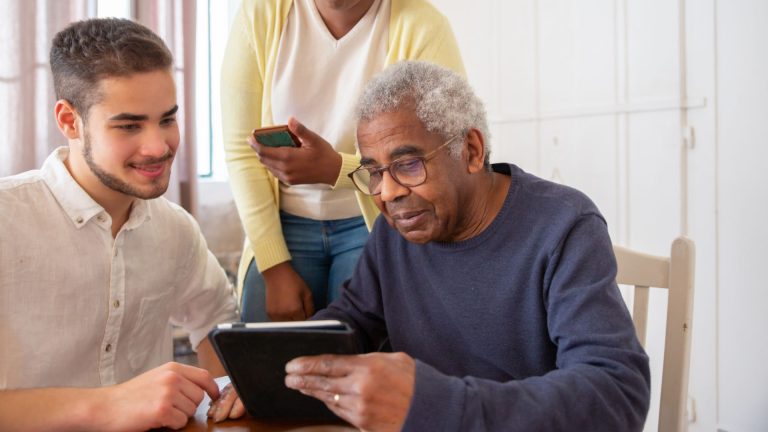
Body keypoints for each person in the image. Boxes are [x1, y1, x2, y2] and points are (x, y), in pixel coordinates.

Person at [210, 61, 652, 430]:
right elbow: (350, 323)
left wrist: (436, 403)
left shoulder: (562, 225)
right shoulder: (398, 230)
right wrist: (268, 377)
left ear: (472, 150)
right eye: (374, 171)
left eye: (406, 164)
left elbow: (615, 391)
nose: (387, 192)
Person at [0, 18, 239, 431]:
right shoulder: (8, 221)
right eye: (129, 125)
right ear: (69, 121)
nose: (158, 146)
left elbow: (217, 323)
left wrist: (230, 397)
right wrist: (108, 405)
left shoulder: (175, 229)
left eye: (167, 119)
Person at [221, 0, 465, 322]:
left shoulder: (423, 25)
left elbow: (443, 156)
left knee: (362, 357)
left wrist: (336, 169)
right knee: (266, 359)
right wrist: (274, 267)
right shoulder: (261, 15)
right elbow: (241, 150)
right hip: (279, 224)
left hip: (376, 223)